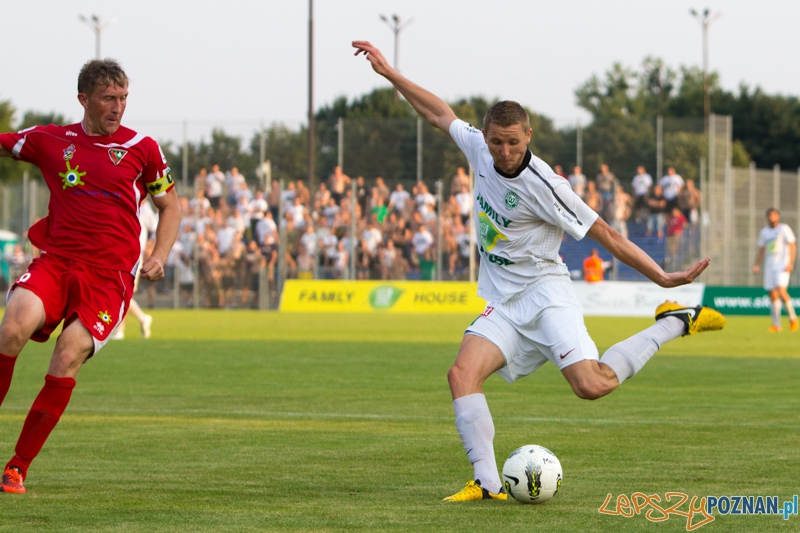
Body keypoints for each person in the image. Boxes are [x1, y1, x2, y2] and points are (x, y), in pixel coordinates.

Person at [353, 40, 725, 502]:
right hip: (506, 303)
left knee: (592, 385)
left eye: (513, 141)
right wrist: (391, 74)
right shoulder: (478, 149)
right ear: (485, 137)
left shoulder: (548, 186)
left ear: (528, 136)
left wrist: (663, 277)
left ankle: (674, 321)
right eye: (496, 141)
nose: (504, 151)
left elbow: (606, 234)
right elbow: (437, 113)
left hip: (547, 295)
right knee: (460, 375)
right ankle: (488, 484)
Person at [0, 58, 180, 494]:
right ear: (83, 99)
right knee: (12, 328)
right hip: (56, 261)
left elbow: (171, 206)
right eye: (108, 98)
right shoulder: (50, 139)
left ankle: (17, 467)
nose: (118, 107)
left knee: (67, 354)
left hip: (110, 277)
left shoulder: (143, 148)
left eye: (123, 98)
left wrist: (159, 253)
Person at [111, 199, 158, 340]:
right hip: (120, 253)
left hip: (134, 256)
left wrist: (151, 247)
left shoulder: (146, 210)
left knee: (124, 291)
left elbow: (155, 229)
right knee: (121, 291)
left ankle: (121, 330)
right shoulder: (127, 205)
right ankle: (143, 319)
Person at [752, 208, 797, 332]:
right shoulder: (764, 232)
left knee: (781, 291)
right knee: (772, 294)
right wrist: (756, 264)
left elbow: (792, 245)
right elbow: (761, 249)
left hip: (782, 266)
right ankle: (777, 324)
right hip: (769, 267)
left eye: (774, 215)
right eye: (769, 215)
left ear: (778, 216)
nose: (772, 217)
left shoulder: (784, 229)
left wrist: (791, 263)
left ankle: (793, 317)